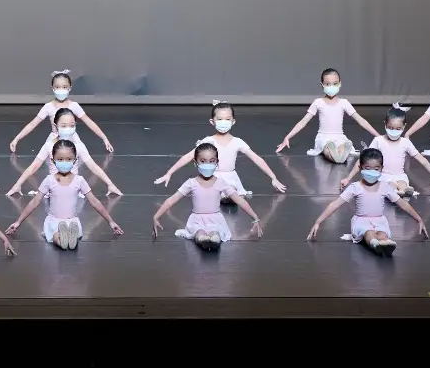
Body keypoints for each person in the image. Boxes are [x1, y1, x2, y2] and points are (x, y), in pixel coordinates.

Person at [306, 147, 429, 256]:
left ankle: (386, 244)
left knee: (383, 234)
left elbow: (403, 204)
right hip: (361, 221)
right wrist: (318, 222)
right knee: (368, 233)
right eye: (368, 168)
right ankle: (375, 244)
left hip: (380, 221)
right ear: (360, 168)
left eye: (376, 169)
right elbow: (335, 204)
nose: (372, 172)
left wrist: (418, 219)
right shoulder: (355, 187)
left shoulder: (385, 187)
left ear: (382, 169)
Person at [5, 138, 123, 249]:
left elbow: (95, 202)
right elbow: (34, 202)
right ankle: (65, 238)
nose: (64, 162)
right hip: (54, 221)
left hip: (72, 222)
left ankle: (68, 237)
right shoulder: (49, 180)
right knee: (56, 235)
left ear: (75, 160)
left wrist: (111, 222)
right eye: (60, 159)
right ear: (53, 160)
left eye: (68, 159)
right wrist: (18, 222)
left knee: (64, 237)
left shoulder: (79, 180)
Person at [150, 142, 264, 250]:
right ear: (195, 163)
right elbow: (171, 200)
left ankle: (214, 239)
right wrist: (156, 216)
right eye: (203, 161)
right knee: (199, 233)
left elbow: (240, 200)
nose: (207, 165)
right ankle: (203, 239)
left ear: (217, 162)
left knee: (215, 233)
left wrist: (255, 218)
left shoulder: (220, 183)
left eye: (211, 161)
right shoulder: (191, 183)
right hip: (196, 220)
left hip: (216, 220)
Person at [156, 102, 287, 196]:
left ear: (233, 121)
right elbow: (188, 156)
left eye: (227, 119)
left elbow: (256, 159)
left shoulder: (237, 142)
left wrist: (273, 177)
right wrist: (169, 173)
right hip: (213, 177)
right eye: (219, 119)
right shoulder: (209, 141)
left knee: (229, 192)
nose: (224, 121)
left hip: (231, 178)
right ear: (212, 121)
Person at [5, 107, 123, 197]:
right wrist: (17, 184)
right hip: (54, 188)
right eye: (64, 125)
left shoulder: (78, 146)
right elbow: (33, 167)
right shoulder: (49, 145)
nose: (68, 128)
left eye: (72, 125)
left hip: (73, 189)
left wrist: (110, 184)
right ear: (56, 126)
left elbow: (93, 166)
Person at [275, 69, 380, 163]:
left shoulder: (344, 102)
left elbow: (360, 120)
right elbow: (303, 122)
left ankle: (341, 153)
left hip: (339, 137)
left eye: (335, 83)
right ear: (322, 85)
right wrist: (287, 137)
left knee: (341, 146)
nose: (331, 86)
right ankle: (338, 156)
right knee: (326, 150)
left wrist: (378, 136)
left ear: (340, 84)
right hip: (323, 137)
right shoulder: (318, 102)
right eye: (328, 84)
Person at [339, 105, 430, 197]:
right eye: (390, 128)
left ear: (404, 126)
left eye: (398, 129)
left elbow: (422, 160)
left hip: (400, 176)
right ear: (385, 124)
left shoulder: (405, 143)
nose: (394, 131)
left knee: (402, 184)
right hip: (383, 176)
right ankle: (398, 192)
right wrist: (348, 178)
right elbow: (362, 160)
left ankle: (402, 191)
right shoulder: (378, 141)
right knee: (390, 185)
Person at [8, 70, 115, 154]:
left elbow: (89, 122)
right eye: (57, 87)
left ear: (70, 88)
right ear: (52, 88)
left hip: (73, 140)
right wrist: (16, 139)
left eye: (64, 87)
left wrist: (104, 138)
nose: (61, 89)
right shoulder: (48, 107)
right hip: (55, 139)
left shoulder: (74, 106)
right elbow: (32, 124)